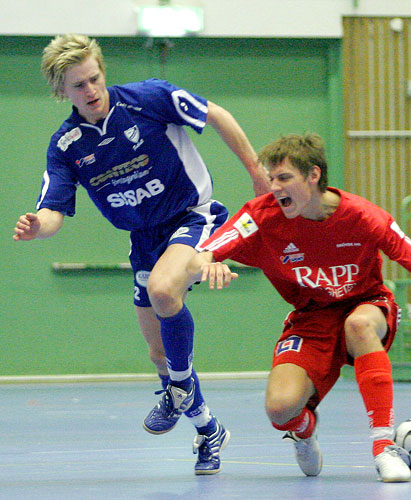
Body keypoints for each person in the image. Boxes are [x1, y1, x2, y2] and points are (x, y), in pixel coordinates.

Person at [13, 34, 270, 475]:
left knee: (163, 290)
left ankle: (179, 387)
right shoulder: (66, 144)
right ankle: (209, 430)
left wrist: (256, 171)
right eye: (78, 85)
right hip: (143, 239)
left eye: (94, 78)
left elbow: (217, 116)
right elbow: (53, 209)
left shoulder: (149, 98)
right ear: (62, 92)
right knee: (158, 353)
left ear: (103, 72)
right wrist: (38, 228)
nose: (90, 90)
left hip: (193, 216)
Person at [186, 133, 411, 482]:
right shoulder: (261, 215)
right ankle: (303, 429)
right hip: (311, 316)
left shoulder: (364, 217)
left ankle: (383, 447)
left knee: (358, 326)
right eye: (271, 179)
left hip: (366, 303)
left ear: (313, 176)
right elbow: (199, 254)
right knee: (280, 409)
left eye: (284, 178)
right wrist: (209, 263)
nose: (275, 187)